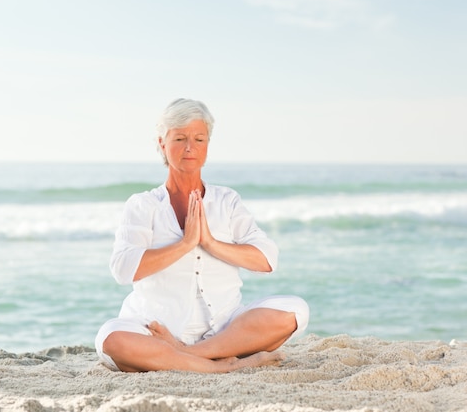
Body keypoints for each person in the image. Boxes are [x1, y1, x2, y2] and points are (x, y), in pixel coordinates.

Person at [95, 98, 309, 372]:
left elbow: (267, 260)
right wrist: (185, 244)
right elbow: (123, 270)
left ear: (207, 144)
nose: (189, 148)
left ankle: (187, 354)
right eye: (180, 138)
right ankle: (224, 366)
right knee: (110, 341)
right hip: (155, 328)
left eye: (199, 139)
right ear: (162, 144)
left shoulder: (227, 200)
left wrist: (209, 242)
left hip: (226, 327)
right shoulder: (142, 205)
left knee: (295, 311)